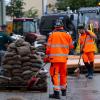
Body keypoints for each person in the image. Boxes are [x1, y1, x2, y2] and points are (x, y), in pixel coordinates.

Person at [45, 18, 74, 99]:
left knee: (54, 75)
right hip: (64, 59)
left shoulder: (52, 34)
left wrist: (47, 56)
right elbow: (71, 46)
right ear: (62, 26)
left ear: (55, 26)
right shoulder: (67, 34)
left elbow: (48, 48)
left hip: (54, 60)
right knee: (63, 75)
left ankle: (56, 93)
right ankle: (64, 92)